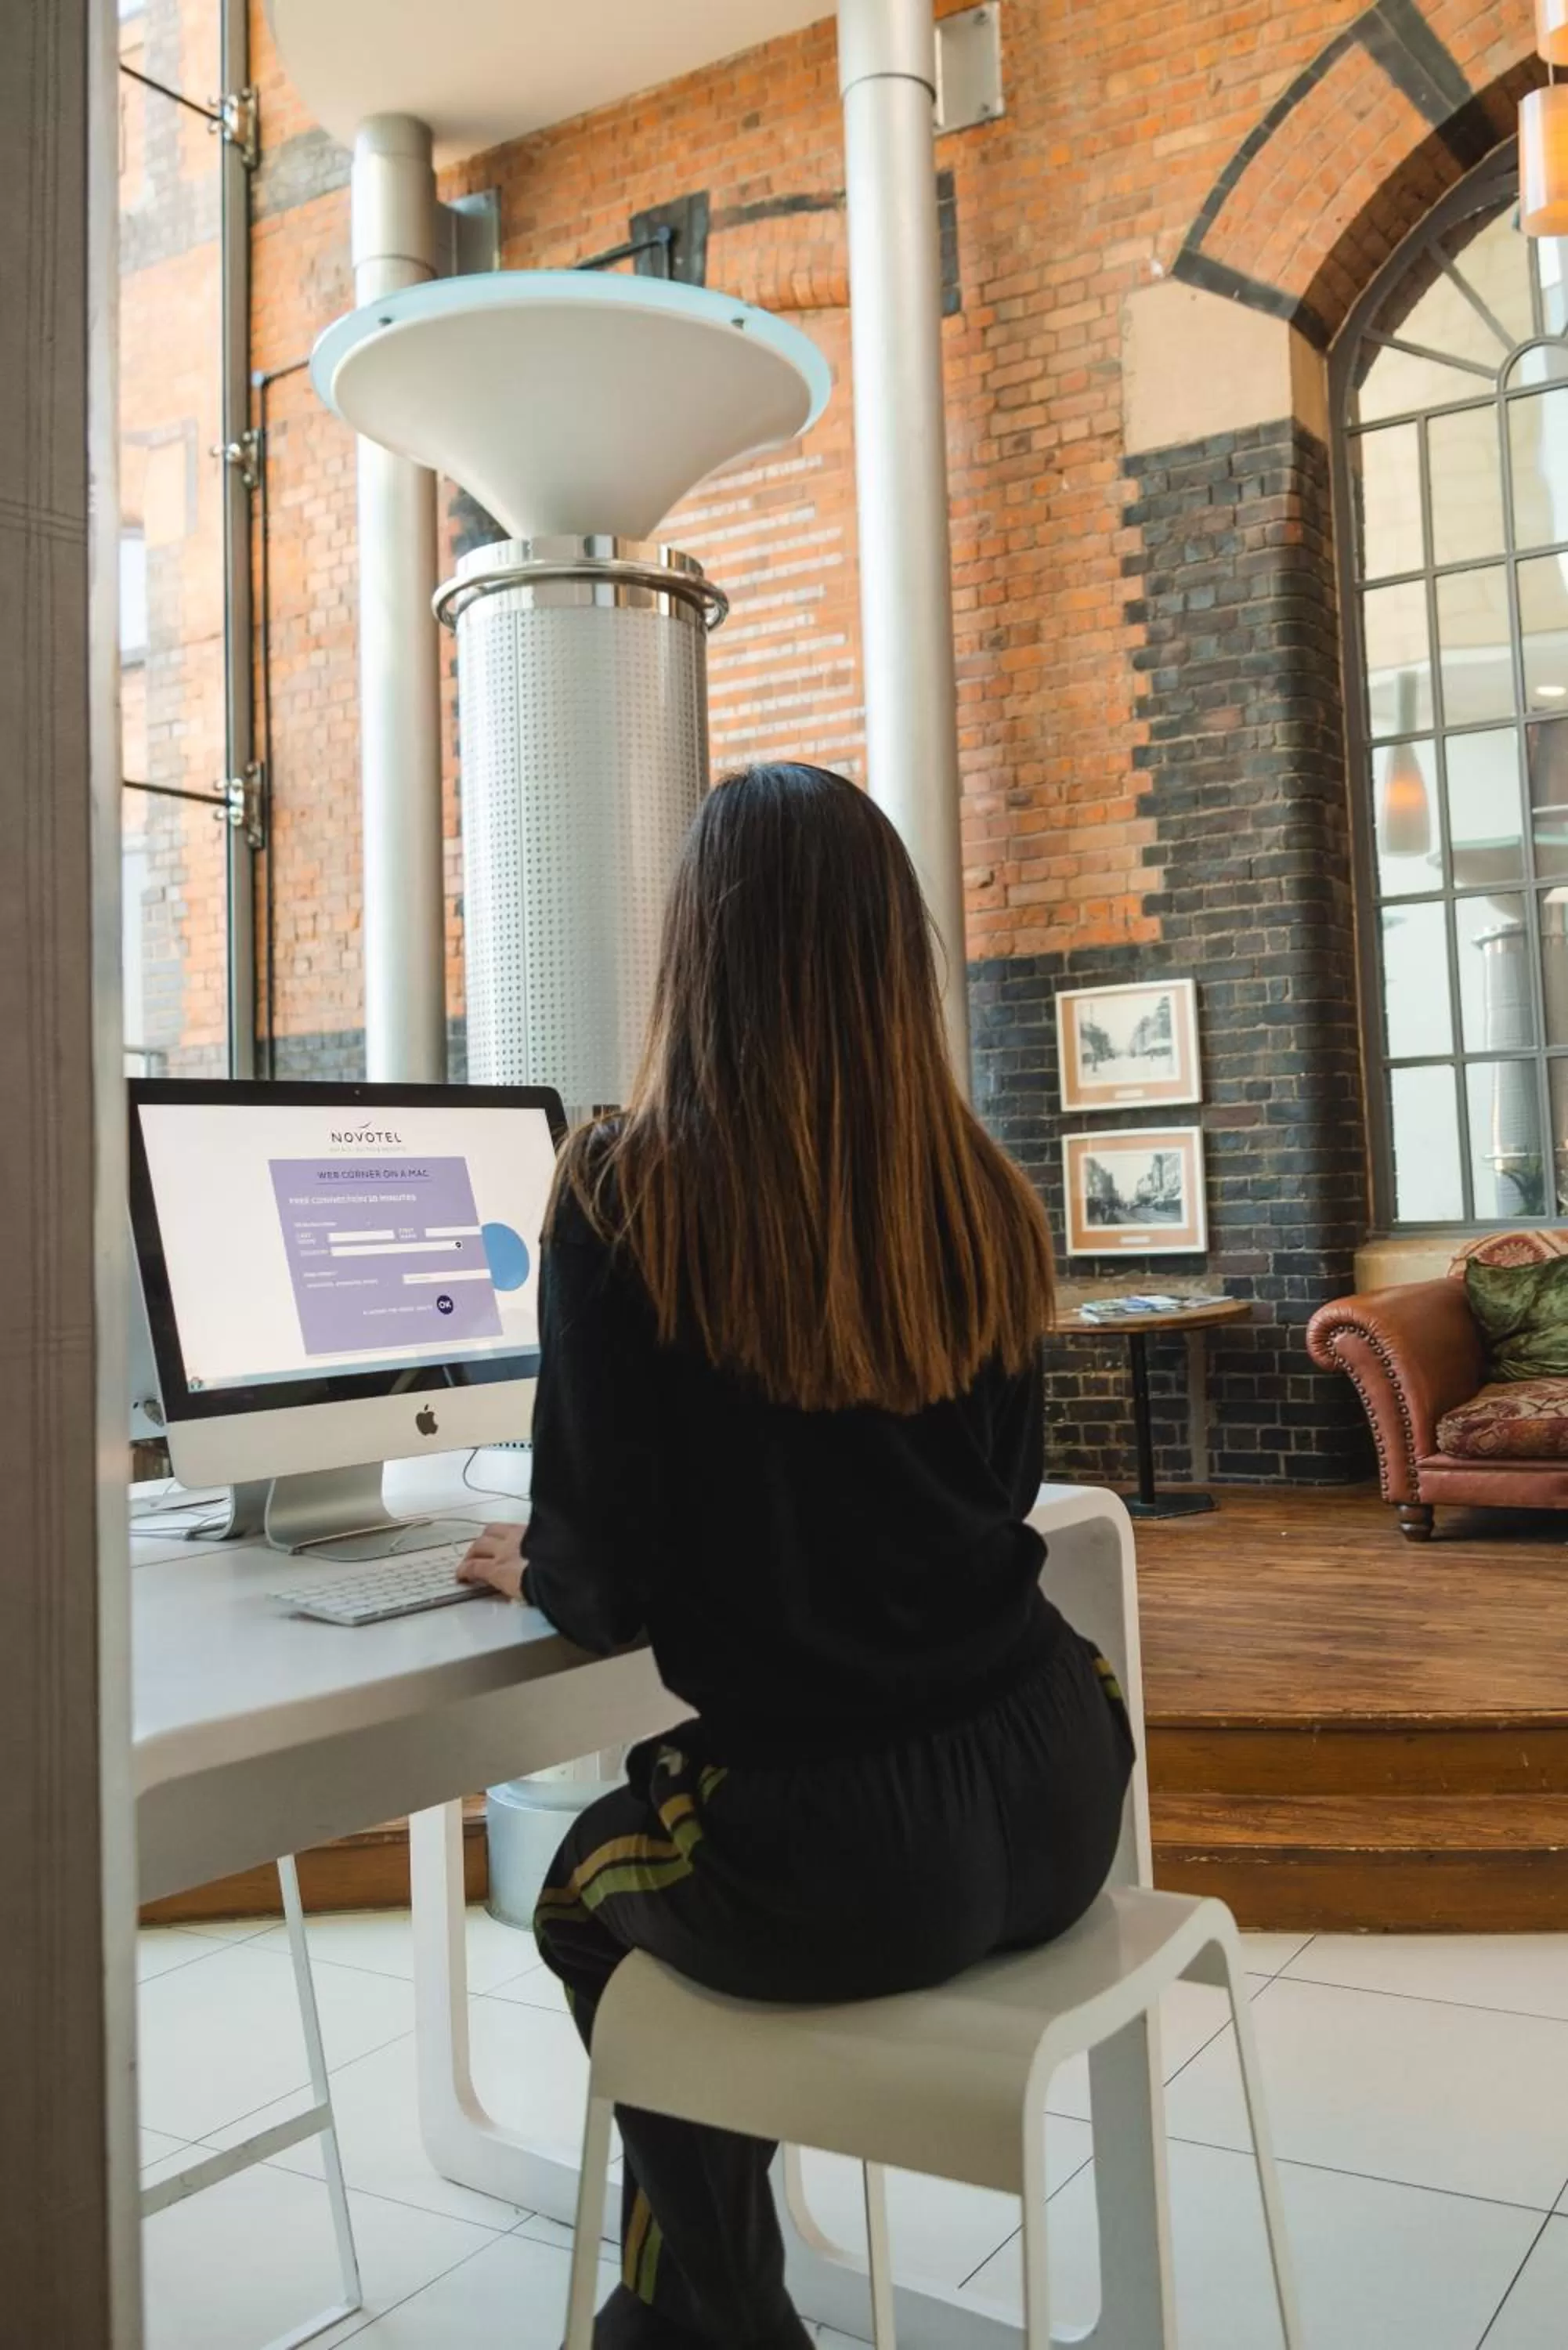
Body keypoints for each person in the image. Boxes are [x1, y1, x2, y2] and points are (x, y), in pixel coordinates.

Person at [457, 762, 1134, 2350]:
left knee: (578, 1898)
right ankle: (695, 2309)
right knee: (685, 1879)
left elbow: (605, 1586)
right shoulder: (975, 1196)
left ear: (696, 947)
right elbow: (1001, 1493)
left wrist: (529, 1562)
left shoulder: (621, 1195)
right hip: (1057, 1794)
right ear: (891, 954)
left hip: (838, 1863)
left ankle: (717, 2311)